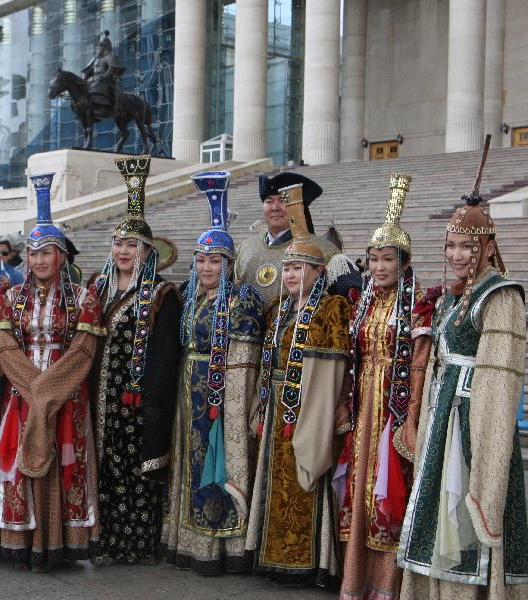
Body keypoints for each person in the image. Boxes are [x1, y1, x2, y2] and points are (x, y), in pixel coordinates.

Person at [397, 181, 527, 599]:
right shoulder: (451, 297)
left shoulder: (500, 296)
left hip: (472, 424)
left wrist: (483, 444)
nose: (456, 255)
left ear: (488, 248)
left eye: (467, 247)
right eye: (451, 245)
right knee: (437, 513)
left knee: (465, 512)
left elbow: (499, 378)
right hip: (444, 418)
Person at [0, 172, 106, 572]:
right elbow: (4, 346)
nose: (39, 260)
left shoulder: (83, 298)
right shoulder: (10, 297)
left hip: (67, 396)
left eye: (47, 252)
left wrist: (48, 392)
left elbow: (82, 352)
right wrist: (33, 389)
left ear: (61, 256)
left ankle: (59, 544)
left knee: (65, 465)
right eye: (33, 253)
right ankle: (23, 544)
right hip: (22, 392)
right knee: (24, 466)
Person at [245, 182, 352, 587]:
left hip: (308, 409)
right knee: (274, 480)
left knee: (306, 482)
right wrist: (260, 406)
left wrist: (315, 420)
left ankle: (310, 563)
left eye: (299, 268)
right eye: (287, 268)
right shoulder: (278, 308)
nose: (290, 275)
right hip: (276, 411)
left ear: (318, 272)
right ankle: (273, 556)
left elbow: (330, 375)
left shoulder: (329, 310)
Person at [161, 172, 265, 576]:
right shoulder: (188, 296)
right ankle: (184, 538)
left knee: (217, 463)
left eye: (215, 260)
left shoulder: (244, 300)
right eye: (201, 259)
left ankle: (219, 547)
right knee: (188, 462)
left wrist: (232, 409)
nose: (206, 267)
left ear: (229, 263)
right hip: (187, 396)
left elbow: (245, 361)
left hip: (221, 396)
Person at [336, 174, 434, 599]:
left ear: (404, 263)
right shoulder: (365, 303)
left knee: (392, 492)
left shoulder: (417, 308)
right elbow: (353, 360)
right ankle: (355, 582)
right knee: (359, 490)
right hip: (363, 410)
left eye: (387, 260)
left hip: (393, 413)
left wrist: (410, 419)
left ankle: (388, 585)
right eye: (373, 259)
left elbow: (419, 365)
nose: (378, 267)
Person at [90, 155, 182, 566]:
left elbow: (164, 357)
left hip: (136, 401)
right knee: (102, 465)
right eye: (119, 243)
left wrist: (151, 402)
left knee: (132, 470)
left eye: (132, 245)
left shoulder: (162, 294)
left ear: (147, 252)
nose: (123, 251)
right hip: (98, 397)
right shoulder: (97, 287)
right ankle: (100, 538)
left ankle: (133, 543)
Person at [234, 172, 362, 306]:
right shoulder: (244, 249)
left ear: (299, 208)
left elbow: (355, 299)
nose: (275, 207)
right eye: (269, 201)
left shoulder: (324, 251)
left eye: (283, 201)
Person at [82, 30, 124, 117]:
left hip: (106, 80)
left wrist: (104, 76)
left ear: (106, 46)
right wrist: (84, 79)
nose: (100, 47)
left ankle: (110, 107)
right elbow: (89, 69)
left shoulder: (111, 56)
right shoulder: (96, 58)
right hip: (95, 79)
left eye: (102, 45)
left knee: (100, 88)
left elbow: (112, 69)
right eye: (99, 45)